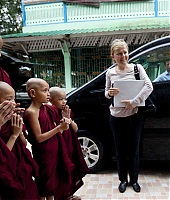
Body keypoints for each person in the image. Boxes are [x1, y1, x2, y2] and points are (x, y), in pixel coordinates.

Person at [105, 39, 153, 193]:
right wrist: (109, 93)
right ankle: (122, 180)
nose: (123, 56)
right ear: (113, 56)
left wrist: (134, 102)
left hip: (134, 115)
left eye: (125, 52)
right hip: (116, 116)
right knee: (120, 151)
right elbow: (106, 93)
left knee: (134, 150)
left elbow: (148, 86)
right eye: (119, 54)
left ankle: (134, 180)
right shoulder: (110, 72)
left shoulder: (137, 69)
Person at [23, 78, 75, 200]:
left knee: (52, 185)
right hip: (44, 155)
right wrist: (58, 128)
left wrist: (64, 121)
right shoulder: (32, 112)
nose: (48, 94)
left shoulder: (47, 109)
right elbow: (39, 138)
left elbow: (58, 129)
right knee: (44, 185)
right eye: (44, 90)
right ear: (33, 93)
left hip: (54, 152)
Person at [0, 81, 40, 200]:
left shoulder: (13, 118)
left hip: (21, 169)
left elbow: (24, 144)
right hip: (7, 173)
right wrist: (13, 135)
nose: (13, 103)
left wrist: (19, 132)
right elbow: (3, 158)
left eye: (14, 98)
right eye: (9, 98)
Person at [49, 87, 89, 200]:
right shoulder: (50, 114)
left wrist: (68, 119)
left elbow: (75, 129)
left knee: (72, 170)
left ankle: (69, 194)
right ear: (51, 100)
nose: (64, 102)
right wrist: (62, 121)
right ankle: (61, 196)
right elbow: (58, 132)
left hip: (70, 145)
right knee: (62, 171)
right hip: (59, 148)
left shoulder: (67, 111)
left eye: (65, 99)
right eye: (60, 99)